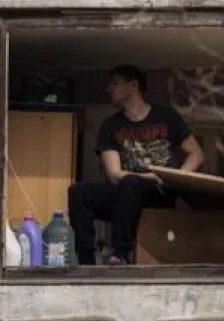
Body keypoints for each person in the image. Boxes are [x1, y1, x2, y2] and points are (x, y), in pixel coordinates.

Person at [69, 64, 204, 265]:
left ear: (134, 86)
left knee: (130, 182)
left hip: (158, 192)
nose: (108, 89)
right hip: (127, 191)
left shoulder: (166, 117)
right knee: (78, 192)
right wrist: (145, 176)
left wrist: (175, 178)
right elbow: (115, 174)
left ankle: (120, 253)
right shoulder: (110, 126)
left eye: (115, 83)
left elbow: (197, 154)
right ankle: (85, 260)